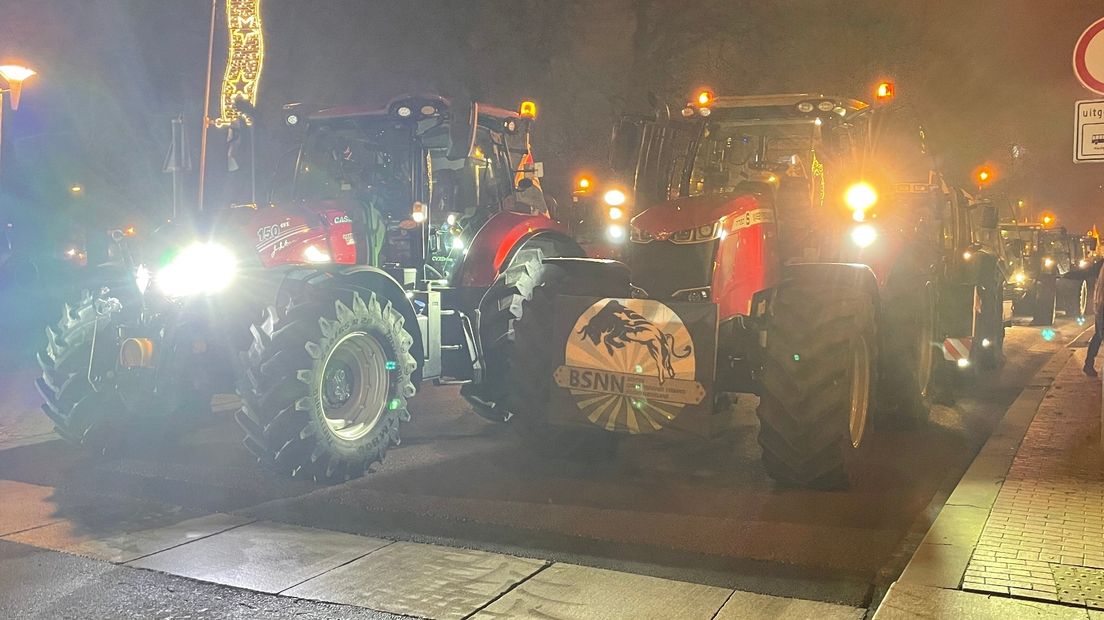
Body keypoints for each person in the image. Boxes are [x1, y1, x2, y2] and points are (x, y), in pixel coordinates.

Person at [1084, 264, 1104, 376]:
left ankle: (1088, 364)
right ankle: (1088, 364)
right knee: (1099, 335)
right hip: (1102, 306)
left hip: (1100, 305)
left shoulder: (1101, 264)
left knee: (1098, 336)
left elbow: (1087, 272)